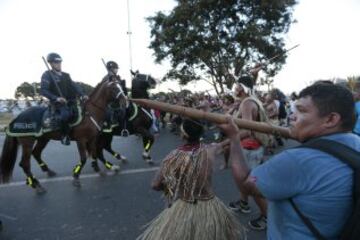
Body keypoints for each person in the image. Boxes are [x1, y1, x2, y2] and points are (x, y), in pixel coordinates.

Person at [219, 82, 358, 239]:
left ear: (331, 119)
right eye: (294, 109)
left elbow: (246, 184)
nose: (292, 116)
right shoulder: (356, 142)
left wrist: (234, 138)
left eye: (301, 111)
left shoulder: (298, 161)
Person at [137, 118, 245, 240]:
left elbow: (155, 184)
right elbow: (230, 140)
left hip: (184, 204)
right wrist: (237, 133)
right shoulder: (210, 149)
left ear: (184, 135)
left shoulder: (173, 156)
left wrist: (171, 187)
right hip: (210, 204)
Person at [226, 74, 272, 230]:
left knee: (250, 184)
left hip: (249, 147)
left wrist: (225, 142)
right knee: (244, 179)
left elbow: (247, 129)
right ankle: (244, 203)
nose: (235, 88)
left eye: (237, 85)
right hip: (252, 147)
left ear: (242, 87)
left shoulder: (247, 103)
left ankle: (267, 217)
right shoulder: (251, 100)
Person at [40, 52, 87, 145]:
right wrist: (57, 98)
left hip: (71, 101)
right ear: (51, 64)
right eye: (56, 63)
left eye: (59, 62)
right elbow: (43, 91)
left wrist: (82, 94)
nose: (59, 64)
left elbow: (74, 86)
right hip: (57, 104)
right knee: (65, 114)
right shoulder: (47, 75)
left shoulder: (66, 75)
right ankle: (64, 135)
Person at [102, 61, 128, 130]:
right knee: (109, 112)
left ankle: (123, 127)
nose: (117, 70)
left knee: (125, 110)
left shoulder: (117, 77)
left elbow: (120, 88)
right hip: (109, 99)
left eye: (117, 68)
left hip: (118, 99)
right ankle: (109, 124)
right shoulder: (106, 77)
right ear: (111, 69)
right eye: (115, 68)